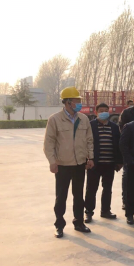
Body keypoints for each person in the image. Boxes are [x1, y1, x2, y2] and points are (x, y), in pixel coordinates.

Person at [44, 86, 94, 238]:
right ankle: (59, 225)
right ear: (67, 102)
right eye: (76, 101)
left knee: (78, 196)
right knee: (61, 196)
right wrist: (52, 161)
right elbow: (49, 143)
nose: (79, 103)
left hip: (79, 164)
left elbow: (89, 140)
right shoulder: (55, 119)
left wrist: (90, 157)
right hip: (63, 165)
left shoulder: (83, 119)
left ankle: (79, 222)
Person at [84, 103, 123, 223]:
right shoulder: (90, 126)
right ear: (96, 112)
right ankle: (88, 212)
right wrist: (87, 160)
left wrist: (119, 161)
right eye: (101, 110)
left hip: (109, 163)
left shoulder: (114, 127)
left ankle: (105, 211)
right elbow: (86, 143)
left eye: (106, 110)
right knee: (91, 189)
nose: (104, 112)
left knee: (107, 188)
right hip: (94, 163)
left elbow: (118, 144)